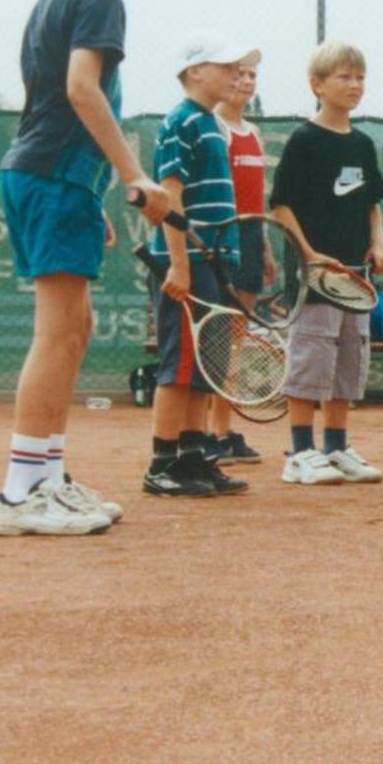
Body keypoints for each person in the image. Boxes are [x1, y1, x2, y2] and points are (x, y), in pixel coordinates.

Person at [0, 0, 172, 537]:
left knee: (76, 324)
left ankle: (47, 475)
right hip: (51, 175)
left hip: (49, 174)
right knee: (59, 331)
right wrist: (133, 175)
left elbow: (51, 98)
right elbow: (79, 88)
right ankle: (19, 494)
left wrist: (91, 191)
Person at [142, 37, 259, 500]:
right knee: (179, 365)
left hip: (214, 260)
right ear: (194, 72)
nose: (235, 72)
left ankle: (193, 459)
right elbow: (169, 196)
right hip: (187, 263)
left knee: (205, 367)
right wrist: (179, 265)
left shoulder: (211, 123)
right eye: (225, 65)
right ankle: (161, 464)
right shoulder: (180, 122)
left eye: (239, 66)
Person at [270, 42, 383, 486]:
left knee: (346, 359)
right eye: (344, 77)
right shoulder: (305, 141)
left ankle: (336, 448)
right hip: (314, 277)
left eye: (360, 77)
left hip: (354, 279)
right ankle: (300, 453)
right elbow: (281, 206)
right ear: (317, 85)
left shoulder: (363, 144)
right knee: (311, 357)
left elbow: (372, 204)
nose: (355, 85)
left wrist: (377, 244)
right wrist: (308, 254)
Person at [204, 52, 269, 466]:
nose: (246, 81)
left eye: (252, 75)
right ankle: (209, 431)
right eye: (239, 74)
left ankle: (224, 431)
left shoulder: (254, 132)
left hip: (251, 235)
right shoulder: (214, 127)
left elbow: (256, 194)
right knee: (216, 339)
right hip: (220, 237)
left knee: (237, 340)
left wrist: (262, 247)